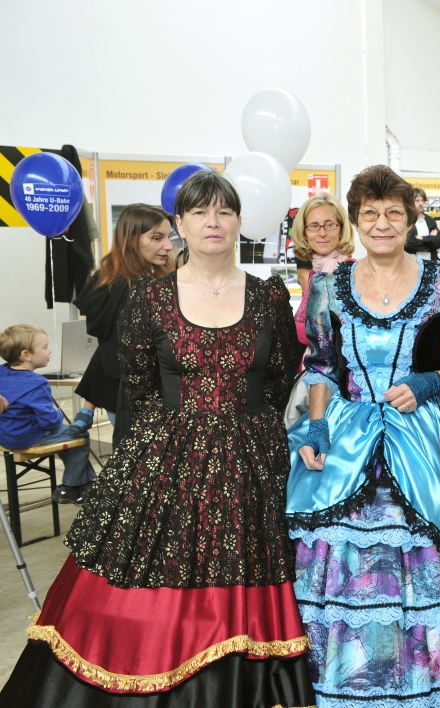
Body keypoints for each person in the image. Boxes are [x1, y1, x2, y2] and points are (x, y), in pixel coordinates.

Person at [0, 170, 315, 707]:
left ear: (241, 222)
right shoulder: (148, 296)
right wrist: (174, 444)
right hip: (166, 455)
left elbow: (280, 376)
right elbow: (138, 384)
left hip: (251, 460)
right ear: (180, 224)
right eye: (199, 213)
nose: (212, 223)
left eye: (224, 212)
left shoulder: (267, 298)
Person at [285, 165, 440, 708]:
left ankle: (421, 689)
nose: (382, 224)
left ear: (409, 218)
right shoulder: (329, 284)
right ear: (357, 220)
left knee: (417, 556)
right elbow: (322, 363)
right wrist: (320, 423)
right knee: (342, 555)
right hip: (349, 434)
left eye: (393, 213)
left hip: (417, 436)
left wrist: (430, 382)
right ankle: (347, 689)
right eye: (370, 214)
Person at [69, 204, 175, 447]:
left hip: (118, 394)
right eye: (157, 238)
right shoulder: (139, 290)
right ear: (131, 239)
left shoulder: (107, 281)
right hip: (138, 401)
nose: (168, 246)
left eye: (169, 237)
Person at [0, 325, 96, 504]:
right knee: (79, 433)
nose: (50, 350)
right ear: (26, 355)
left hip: (4, 434)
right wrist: (58, 415)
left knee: (69, 437)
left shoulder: (1, 371)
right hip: (25, 437)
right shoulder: (37, 383)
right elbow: (50, 423)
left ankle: (87, 486)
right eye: (45, 347)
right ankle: (70, 487)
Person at [291, 193, 357, 346]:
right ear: (304, 232)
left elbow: (324, 336)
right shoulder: (316, 273)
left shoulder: (349, 273)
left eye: (329, 225)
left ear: (341, 229)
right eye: (314, 226)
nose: (322, 233)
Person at [405, 187, 440, 260]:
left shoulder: (430, 220)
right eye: (417, 200)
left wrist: (422, 238)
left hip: (431, 265)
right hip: (412, 265)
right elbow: (408, 244)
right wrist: (430, 241)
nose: (420, 203)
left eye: (422, 200)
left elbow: (438, 241)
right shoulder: (406, 221)